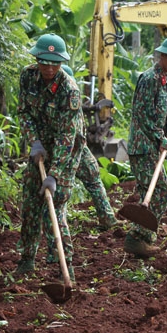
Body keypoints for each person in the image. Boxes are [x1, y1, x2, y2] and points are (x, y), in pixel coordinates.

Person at [15, 33, 86, 282]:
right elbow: (23, 111)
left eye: (54, 63)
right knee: (31, 203)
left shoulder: (70, 91)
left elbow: (68, 138)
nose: (48, 68)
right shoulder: (27, 76)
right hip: (39, 148)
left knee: (54, 207)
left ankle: (64, 268)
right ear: (36, 59)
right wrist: (33, 141)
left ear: (61, 63)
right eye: (44, 62)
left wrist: (55, 175)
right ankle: (26, 261)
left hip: (65, 152)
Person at [124, 37, 167, 258]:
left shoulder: (163, 79)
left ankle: (143, 240)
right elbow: (141, 115)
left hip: (152, 146)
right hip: (143, 147)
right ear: (162, 56)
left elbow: (155, 111)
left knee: (151, 194)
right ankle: (136, 237)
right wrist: (160, 137)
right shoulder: (150, 78)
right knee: (160, 192)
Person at [61, 65, 121, 231]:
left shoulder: (72, 95)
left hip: (79, 147)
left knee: (94, 176)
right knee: (61, 188)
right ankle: (56, 222)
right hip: (61, 150)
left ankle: (107, 217)